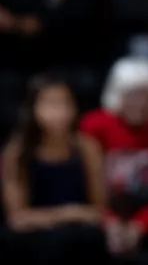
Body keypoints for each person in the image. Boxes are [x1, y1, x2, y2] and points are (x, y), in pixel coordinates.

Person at [80, 56, 148, 256]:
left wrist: (140, 225)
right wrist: (109, 221)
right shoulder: (94, 126)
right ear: (117, 94)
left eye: (146, 95)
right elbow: (87, 185)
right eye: (132, 95)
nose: (140, 103)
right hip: (103, 210)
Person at [1, 74, 109, 264]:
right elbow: (18, 218)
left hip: (78, 234)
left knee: (89, 238)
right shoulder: (17, 151)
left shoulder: (87, 148)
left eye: (65, 102)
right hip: (35, 237)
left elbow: (98, 209)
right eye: (50, 103)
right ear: (33, 108)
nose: (59, 111)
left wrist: (78, 216)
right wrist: (66, 214)